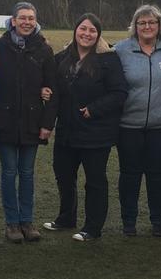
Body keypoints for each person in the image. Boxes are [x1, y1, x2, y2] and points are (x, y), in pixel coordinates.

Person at [43, 13, 128, 242]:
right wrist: (46, 92)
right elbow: (52, 88)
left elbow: (120, 93)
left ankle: (93, 227)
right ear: (75, 30)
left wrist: (94, 108)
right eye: (83, 29)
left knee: (95, 181)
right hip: (66, 131)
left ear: (98, 35)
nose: (86, 34)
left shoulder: (108, 60)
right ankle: (66, 218)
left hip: (95, 133)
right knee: (64, 175)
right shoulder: (62, 58)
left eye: (92, 31)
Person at [0, 2, 58, 244]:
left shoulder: (44, 49)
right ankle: (12, 224)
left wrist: (47, 123)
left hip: (33, 121)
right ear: (14, 20)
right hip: (5, 119)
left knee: (27, 173)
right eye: (22, 18)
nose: (27, 22)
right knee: (9, 172)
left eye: (31, 18)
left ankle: (27, 221)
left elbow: (53, 87)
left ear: (36, 21)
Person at [114, 4, 161, 237]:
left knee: (158, 175)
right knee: (130, 174)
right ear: (135, 26)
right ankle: (128, 221)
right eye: (142, 23)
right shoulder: (121, 50)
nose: (147, 26)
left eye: (152, 22)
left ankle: (158, 220)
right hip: (129, 125)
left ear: (159, 26)